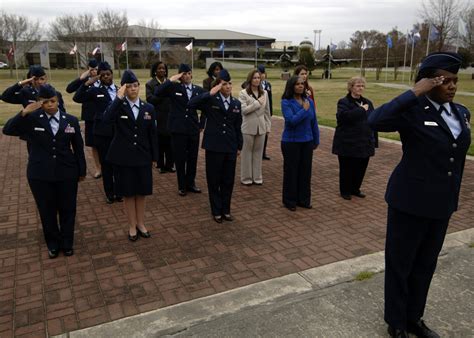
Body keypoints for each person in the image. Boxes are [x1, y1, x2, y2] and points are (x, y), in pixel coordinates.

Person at [368, 52, 471, 338]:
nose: (452, 86)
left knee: (426, 265)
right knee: (401, 266)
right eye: (445, 81)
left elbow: (455, 158)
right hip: (409, 202)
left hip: (441, 205)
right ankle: (397, 322)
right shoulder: (412, 110)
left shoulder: (461, 112)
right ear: (428, 82)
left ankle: (414, 317)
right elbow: (374, 121)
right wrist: (414, 92)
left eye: (455, 80)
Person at [3, 84, 86, 258]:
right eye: (45, 101)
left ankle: (67, 242)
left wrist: (81, 170)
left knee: (68, 209)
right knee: (46, 209)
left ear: (58, 101)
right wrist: (24, 112)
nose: (49, 104)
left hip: (66, 172)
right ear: (40, 102)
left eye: (53, 101)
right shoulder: (32, 119)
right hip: (40, 173)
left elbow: (78, 148)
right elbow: (8, 129)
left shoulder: (70, 120)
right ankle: (53, 243)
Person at [103, 70, 158, 241]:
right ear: (123, 89)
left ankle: (141, 223)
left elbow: (152, 134)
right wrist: (118, 99)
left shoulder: (148, 108)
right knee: (128, 193)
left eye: (135, 86)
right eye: (129, 86)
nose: (133, 89)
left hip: (142, 156)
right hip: (124, 157)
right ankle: (132, 225)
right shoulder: (118, 106)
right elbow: (106, 120)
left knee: (141, 192)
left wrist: (154, 157)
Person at [188, 69, 242, 223]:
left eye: (230, 83)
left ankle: (226, 210)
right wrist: (209, 93)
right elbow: (191, 104)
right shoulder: (210, 101)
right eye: (224, 84)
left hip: (230, 146)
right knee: (214, 180)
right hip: (214, 146)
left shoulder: (236, 103)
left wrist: (239, 145)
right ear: (218, 85)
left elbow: (238, 126)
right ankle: (216, 210)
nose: (228, 86)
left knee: (228, 180)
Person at [73, 61, 122, 204]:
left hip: (118, 132)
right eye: (103, 75)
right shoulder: (95, 91)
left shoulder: (119, 90)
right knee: (106, 164)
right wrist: (87, 83)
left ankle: (119, 191)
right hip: (102, 132)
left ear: (112, 74)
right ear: (99, 77)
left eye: (108, 74)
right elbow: (77, 98)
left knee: (118, 164)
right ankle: (109, 193)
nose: (106, 77)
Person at [154, 63, 204, 196]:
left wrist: (202, 124)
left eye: (188, 73)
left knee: (192, 157)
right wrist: (171, 79)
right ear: (180, 76)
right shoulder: (173, 88)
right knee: (180, 158)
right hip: (178, 128)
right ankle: (182, 185)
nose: (187, 76)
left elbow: (207, 105)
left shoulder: (198, 89)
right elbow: (157, 92)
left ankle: (191, 183)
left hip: (193, 128)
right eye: (184, 74)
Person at [332, 76, 378, 200]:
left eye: (362, 86)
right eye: (358, 86)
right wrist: (360, 110)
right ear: (351, 87)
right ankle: (345, 190)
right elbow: (343, 117)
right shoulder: (344, 102)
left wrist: (374, 141)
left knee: (361, 167)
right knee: (347, 168)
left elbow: (373, 121)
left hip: (364, 141)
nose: (360, 88)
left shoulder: (368, 102)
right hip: (348, 141)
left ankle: (355, 188)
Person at [281, 75, 319, 211]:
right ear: (292, 86)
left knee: (305, 172)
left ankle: (304, 200)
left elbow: (314, 122)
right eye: (297, 84)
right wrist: (304, 110)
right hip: (291, 142)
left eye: (302, 84)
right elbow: (291, 121)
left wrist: (316, 139)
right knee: (291, 172)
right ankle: (289, 201)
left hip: (307, 141)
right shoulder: (286, 102)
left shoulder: (309, 101)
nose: (301, 86)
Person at [66, 59, 102, 179]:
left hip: (103, 117)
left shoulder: (104, 79)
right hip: (90, 117)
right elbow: (69, 89)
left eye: (96, 69)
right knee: (94, 144)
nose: (94, 71)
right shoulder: (85, 82)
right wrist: (82, 79)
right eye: (91, 69)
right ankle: (98, 168)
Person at [238, 69, 271, 185]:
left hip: (261, 127)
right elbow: (244, 111)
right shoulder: (243, 93)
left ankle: (257, 177)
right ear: (250, 79)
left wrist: (268, 127)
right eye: (254, 78)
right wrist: (257, 103)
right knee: (247, 153)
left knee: (258, 153)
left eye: (258, 77)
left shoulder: (265, 93)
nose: (257, 80)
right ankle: (246, 178)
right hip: (248, 127)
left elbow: (267, 112)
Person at [146, 61, 175, 173]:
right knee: (160, 142)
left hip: (169, 115)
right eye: (159, 68)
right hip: (158, 116)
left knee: (170, 142)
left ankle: (170, 164)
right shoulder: (150, 84)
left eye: (163, 68)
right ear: (154, 70)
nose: (162, 70)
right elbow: (150, 99)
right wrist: (162, 94)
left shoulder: (170, 83)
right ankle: (161, 165)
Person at [1, 65, 66, 111]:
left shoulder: (55, 94)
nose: (39, 82)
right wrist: (20, 84)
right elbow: (5, 97)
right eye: (36, 79)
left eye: (42, 79)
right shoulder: (26, 93)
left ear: (46, 78)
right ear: (30, 80)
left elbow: (62, 113)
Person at [257, 65, 273, 160]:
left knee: (266, 131)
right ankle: (257, 152)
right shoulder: (253, 83)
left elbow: (270, 99)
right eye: (260, 73)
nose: (262, 75)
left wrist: (270, 111)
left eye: (263, 73)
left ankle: (263, 152)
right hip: (257, 110)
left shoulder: (267, 84)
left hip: (265, 111)